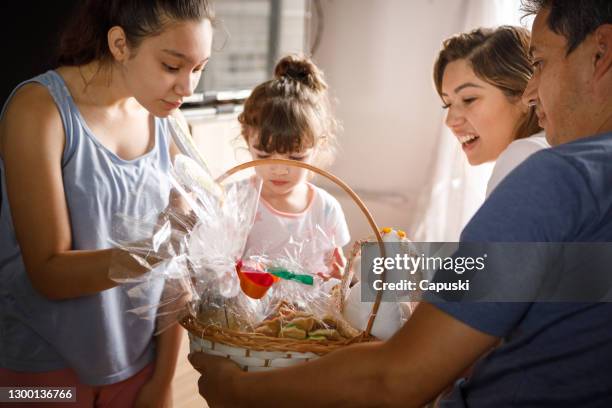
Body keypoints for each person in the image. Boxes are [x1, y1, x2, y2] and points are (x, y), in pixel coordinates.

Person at [189, 0, 612, 406]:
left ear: (600, 53)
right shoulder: (586, 174)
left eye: (539, 63)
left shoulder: (545, 170)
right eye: (448, 103)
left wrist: (237, 392)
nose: (531, 89)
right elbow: (551, 278)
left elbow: (395, 378)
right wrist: (393, 267)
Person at [0, 0, 214, 406]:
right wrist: (151, 252)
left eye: (198, 69)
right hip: (41, 373)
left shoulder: (169, 120)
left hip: (138, 363)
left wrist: (164, 378)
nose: (188, 88)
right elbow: (48, 273)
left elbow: (178, 273)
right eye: (172, 66)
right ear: (119, 44)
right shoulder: (39, 111)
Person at [238, 55, 350, 279]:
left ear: (318, 146)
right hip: (248, 313)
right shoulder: (238, 201)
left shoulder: (326, 209)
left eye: (295, 157)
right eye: (264, 154)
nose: (279, 169)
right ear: (246, 139)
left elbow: (338, 274)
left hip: (309, 315)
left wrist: (341, 274)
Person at [434, 25, 549, 197]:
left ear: (523, 95)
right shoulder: (547, 149)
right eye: (447, 104)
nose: (450, 121)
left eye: (469, 99)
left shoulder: (524, 156)